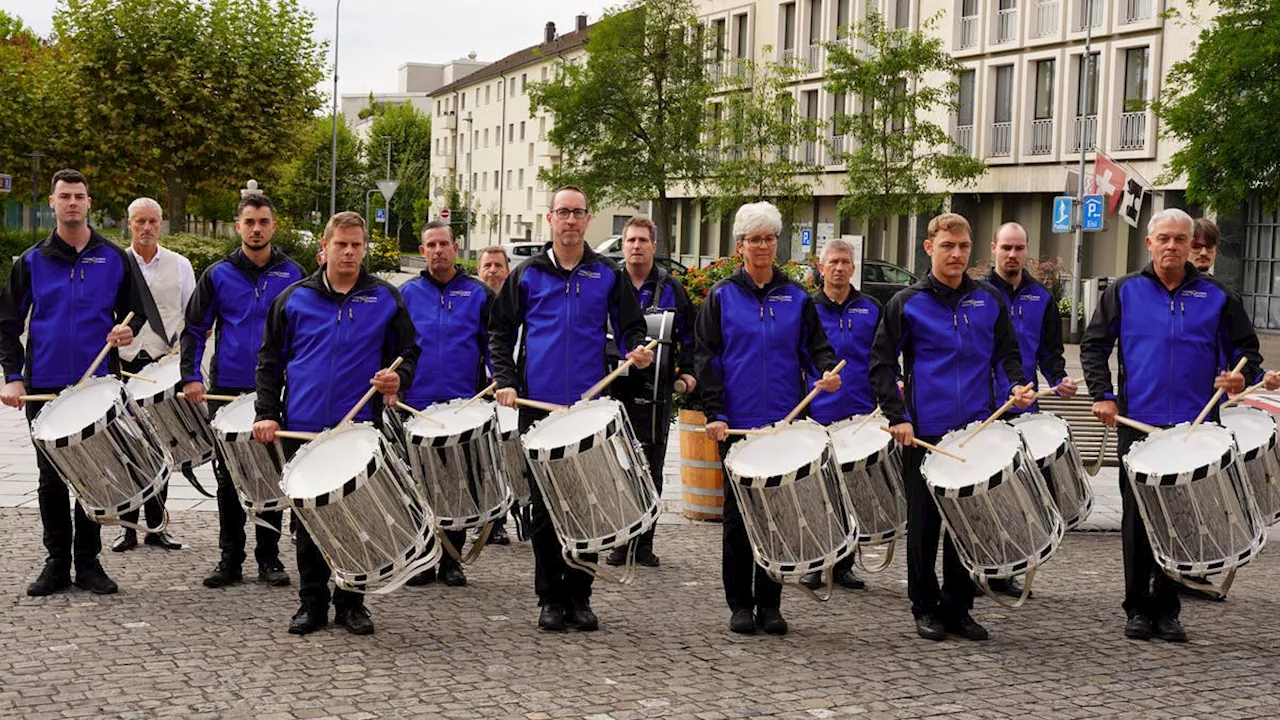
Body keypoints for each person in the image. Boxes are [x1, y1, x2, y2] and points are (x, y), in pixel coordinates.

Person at [1081, 208, 1264, 644]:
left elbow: (1249, 354)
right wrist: (1102, 395)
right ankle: (1136, 609)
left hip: (1194, 426)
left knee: (1180, 517)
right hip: (1137, 421)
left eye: (1180, 240)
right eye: (1163, 238)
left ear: (1190, 245)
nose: (1172, 246)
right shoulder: (1124, 291)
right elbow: (1094, 345)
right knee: (1137, 517)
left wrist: (1242, 377)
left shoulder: (1218, 296)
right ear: (1149, 242)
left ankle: (1167, 609)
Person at [489, 186, 654, 633]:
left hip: (588, 406)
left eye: (578, 213)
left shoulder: (607, 274)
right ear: (550, 219)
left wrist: (636, 351)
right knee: (544, 508)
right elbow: (500, 333)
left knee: (587, 501)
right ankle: (550, 598)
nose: (570, 220)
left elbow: (631, 328)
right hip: (538, 408)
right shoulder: (527, 275)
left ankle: (580, 595)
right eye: (562, 212)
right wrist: (505, 381)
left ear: (587, 219)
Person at [869, 212, 1034, 642]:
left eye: (963, 246)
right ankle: (924, 607)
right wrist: (897, 417)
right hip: (925, 432)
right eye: (948, 246)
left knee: (968, 521)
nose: (957, 254)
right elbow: (881, 365)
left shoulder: (988, 301)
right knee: (925, 525)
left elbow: (1007, 355)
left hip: (975, 431)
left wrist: (1016, 384)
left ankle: (959, 607)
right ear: (930, 248)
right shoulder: (907, 303)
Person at [255, 211, 419, 636]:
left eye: (357, 245)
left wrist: (398, 377)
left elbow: (409, 352)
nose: (349, 252)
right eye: (341, 244)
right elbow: (270, 364)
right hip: (303, 428)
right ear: (323, 248)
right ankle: (312, 603)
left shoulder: (385, 298)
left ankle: (352, 603)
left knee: (356, 517)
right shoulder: (292, 299)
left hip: (358, 430)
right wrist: (267, 413)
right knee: (309, 521)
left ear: (364, 249)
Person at [695, 201, 843, 637]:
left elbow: (817, 348)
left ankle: (772, 604)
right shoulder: (721, 296)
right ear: (740, 246)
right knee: (739, 519)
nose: (763, 246)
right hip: (737, 426)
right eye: (754, 239)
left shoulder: (796, 297)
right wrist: (715, 412)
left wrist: (826, 372)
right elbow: (706, 358)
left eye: (769, 238)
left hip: (784, 423)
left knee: (779, 514)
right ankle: (740, 605)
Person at [0, 168, 147, 596]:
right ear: (52, 203)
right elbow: (6, 324)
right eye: (64, 196)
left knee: (95, 475)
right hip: (45, 387)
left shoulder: (114, 256)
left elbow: (134, 313)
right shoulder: (31, 260)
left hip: (98, 388)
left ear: (89, 202)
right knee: (51, 478)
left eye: (79, 196)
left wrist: (126, 331)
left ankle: (89, 563)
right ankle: (56, 563)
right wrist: (12, 377)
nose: (72, 203)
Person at [182, 193, 304, 589]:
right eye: (249, 221)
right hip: (228, 390)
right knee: (229, 478)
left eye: (263, 221)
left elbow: (305, 333)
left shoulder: (294, 275)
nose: (256, 228)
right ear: (239, 226)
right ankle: (229, 558)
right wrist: (191, 376)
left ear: (274, 226)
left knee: (272, 475)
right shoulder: (217, 274)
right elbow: (196, 329)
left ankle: (269, 558)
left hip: (276, 390)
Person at [983, 222, 1076, 598]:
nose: (1012, 255)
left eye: (1019, 248)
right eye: (1006, 247)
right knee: (983, 494)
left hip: (1025, 409)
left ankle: (1007, 568)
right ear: (993, 248)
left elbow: (1050, 352)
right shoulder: (978, 295)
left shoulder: (1041, 297)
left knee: (1017, 495)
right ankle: (979, 565)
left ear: (1027, 251)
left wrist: (1061, 378)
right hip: (982, 408)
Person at [400, 221, 494, 587]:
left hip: (461, 405)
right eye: (431, 245)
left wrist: (499, 378)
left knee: (456, 485)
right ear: (422, 251)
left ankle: (452, 560)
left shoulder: (479, 294)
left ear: (457, 247)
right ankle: (423, 557)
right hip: (417, 405)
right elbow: (396, 348)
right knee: (418, 484)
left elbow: (493, 344)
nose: (438, 250)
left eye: (444, 244)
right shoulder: (405, 294)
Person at [604, 215, 695, 569]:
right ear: (622, 246)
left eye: (643, 240)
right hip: (613, 388)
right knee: (617, 465)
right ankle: (620, 540)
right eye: (631, 241)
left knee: (651, 466)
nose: (637, 246)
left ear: (654, 246)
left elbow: (689, 337)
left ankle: (644, 543)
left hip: (656, 392)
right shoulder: (609, 284)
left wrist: (687, 374)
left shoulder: (671, 287)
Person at [111, 197, 195, 552]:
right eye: (139, 221)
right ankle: (127, 527)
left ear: (161, 224)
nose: (146, 228)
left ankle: (157, 525)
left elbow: (193, 316)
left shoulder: (180, 265)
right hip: (124, 365)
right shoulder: (115, 264)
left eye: (152, 222)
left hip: (163, 366)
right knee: (127, 445)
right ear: (129, 224)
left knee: (162, 445)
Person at [798, 237, 881, 593]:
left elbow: (882, 356)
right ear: (821, 267)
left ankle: (845, 563)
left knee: (852, 489)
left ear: (853, 267)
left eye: (845, 262)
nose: (839, 267)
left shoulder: (872, 308)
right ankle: (817, 563)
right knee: (820, 490)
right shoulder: (807, 308)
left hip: (861, 411)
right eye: (832, 262)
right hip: (819, 411)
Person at [474, 244, 514, 545]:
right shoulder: (476, 303)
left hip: (512, 392)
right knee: (483, 461)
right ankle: (486, 520)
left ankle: (501, 520)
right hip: (481, 392)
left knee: (507, 458)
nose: (492, 271)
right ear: (479, 270)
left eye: (498, 265)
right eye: (487, 265)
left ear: (507, 270)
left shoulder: (516, 302)